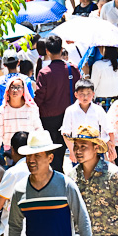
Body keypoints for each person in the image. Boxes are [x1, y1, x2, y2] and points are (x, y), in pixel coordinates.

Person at [35, 35, 80, 170]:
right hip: (70, 116)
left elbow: (39, 97)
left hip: (48, 118)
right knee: (72, 151)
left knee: (53, 154)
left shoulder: (44, 73)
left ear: (47, 51)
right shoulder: (73, 69)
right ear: (61, 49)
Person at [61, 78, 117, 163]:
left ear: (93, 94)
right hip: (78, 151)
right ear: (76, 94)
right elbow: (66, 133)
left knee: (98, 174)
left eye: (88, 94)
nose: (85, 97)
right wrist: (72, 151)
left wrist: (112, 148)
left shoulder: (98, 110)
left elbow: (109, 129)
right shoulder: (70, 110)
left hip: (96, 149)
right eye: (81, 94)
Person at [0, 76, 43, 154]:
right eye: (12, 87)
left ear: (24, 89)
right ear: (8, 90)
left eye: (18, 87)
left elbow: (38, 129)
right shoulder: (2, 111)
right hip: (9, 150)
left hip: (29, 148)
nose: (15, 90)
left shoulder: (31, 109)